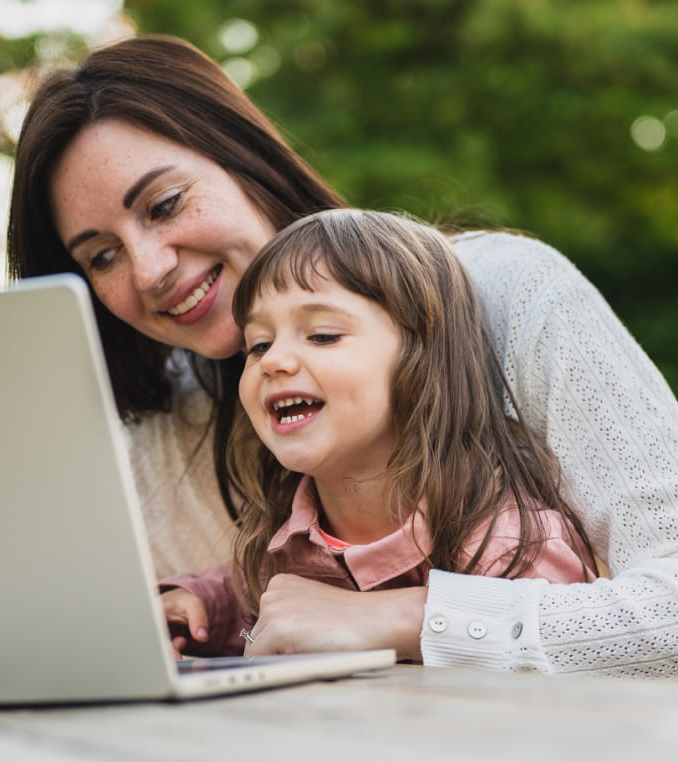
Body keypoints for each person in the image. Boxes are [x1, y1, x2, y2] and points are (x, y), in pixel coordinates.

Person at [7, 35, 678, 676]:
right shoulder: (160, 421)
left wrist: (409, 617)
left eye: (165, 204)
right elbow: (242, 601)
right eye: (102, 256)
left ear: (247, 160)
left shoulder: (507, 291)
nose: (150, 269)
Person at [158, 208, 595, 657]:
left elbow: (566, 650)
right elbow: (262, 602)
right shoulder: (283, 539)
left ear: (424, 364)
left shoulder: (506, 544)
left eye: (323, 335)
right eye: (259, 344)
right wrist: (201, 605)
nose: (273, 361)